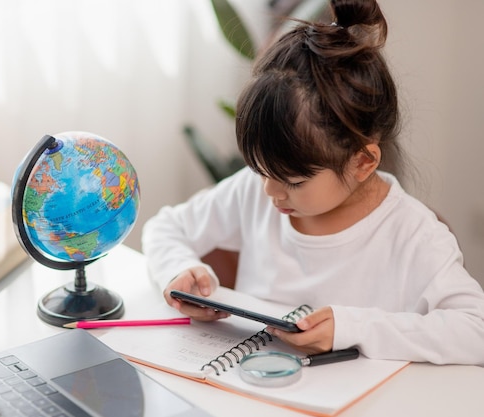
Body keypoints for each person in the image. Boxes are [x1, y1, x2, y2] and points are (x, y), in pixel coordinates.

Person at [141, 0, 484, 365]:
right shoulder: (253, 193)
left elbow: (475, 331)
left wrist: (352, 327)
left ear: (362, 162)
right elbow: (165, 227)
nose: (269, 192)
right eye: (261, 171)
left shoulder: (413, 234)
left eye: (291, 180)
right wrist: (179, 270)